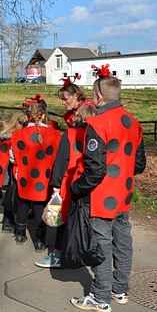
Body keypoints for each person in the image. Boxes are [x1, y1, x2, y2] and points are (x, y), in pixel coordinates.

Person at [70, 65, 146, 312]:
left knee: (102, 243)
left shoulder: (97, 124)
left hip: (102, 196)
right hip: (123, 193)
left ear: (98, 96)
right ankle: (120, 289)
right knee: (123, 240)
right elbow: (139, 163)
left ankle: (101, 296)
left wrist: (76, 188)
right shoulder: (134, 122)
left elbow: (94, 170)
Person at [34, 100, 97, 269]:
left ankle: (57, 255)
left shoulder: (70, 135)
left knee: (58, 221)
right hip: (92, 185)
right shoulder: (100, 134)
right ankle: (81, 254)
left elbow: (60, 162)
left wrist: (55, 184)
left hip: (69, 183)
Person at [10, 95, 61, 249]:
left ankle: (20, 233)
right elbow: (58, 157)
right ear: (44, 115)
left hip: (25, 175)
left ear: (28, 115)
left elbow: (12, 157)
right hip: (45, 177)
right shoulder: (55, 135)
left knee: (23, 204)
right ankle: (39, 240)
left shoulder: (18, 134)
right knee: (40, 206)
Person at [0, 113, 26, 233]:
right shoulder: (12, 136)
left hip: (9, 166)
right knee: (12, 193)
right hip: (10, 166)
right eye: (22, 123)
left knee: (12, 192)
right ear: (17, 122)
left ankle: (8, 219)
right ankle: (8, 220)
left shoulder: (7, 133)